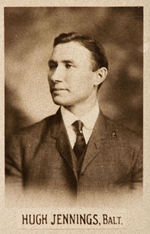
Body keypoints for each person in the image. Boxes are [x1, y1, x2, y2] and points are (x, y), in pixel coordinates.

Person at [5, 32, 142, 206]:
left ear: (98, 76)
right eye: (53, 66)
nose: (55, 77)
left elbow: (136, 223)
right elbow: (13, 221)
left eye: (68, 65)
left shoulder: (136, 148)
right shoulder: (21, 145)